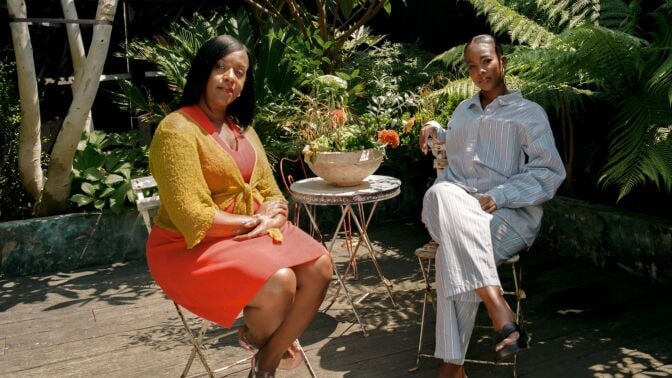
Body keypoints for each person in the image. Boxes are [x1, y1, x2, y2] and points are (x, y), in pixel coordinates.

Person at [145, 35, 333, 377]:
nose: (231, 77)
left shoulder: (242, 128)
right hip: (191, 246)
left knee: (320, 265)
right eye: (221, 67)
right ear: (203, 70)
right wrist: (253, 221)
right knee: (280, 281)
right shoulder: (176, 130)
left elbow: (270, 190)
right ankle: (267, 354)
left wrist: (274, 212)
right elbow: (192, 215)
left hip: (248, 234)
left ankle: (267, 358)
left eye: (240, 72)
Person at [419, 34, 566, 378]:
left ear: (502, 61)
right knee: (440, 194)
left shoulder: (529, 114)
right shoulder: (463, 111)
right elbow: (455, 144)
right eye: (472, 66)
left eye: (485, 61)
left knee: (450, 255)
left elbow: (549, 173)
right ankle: (498, 306)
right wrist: (435, 130)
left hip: (507, 216)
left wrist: (502, 195)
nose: (479, 71)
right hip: (455, 209)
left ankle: (452, 367)